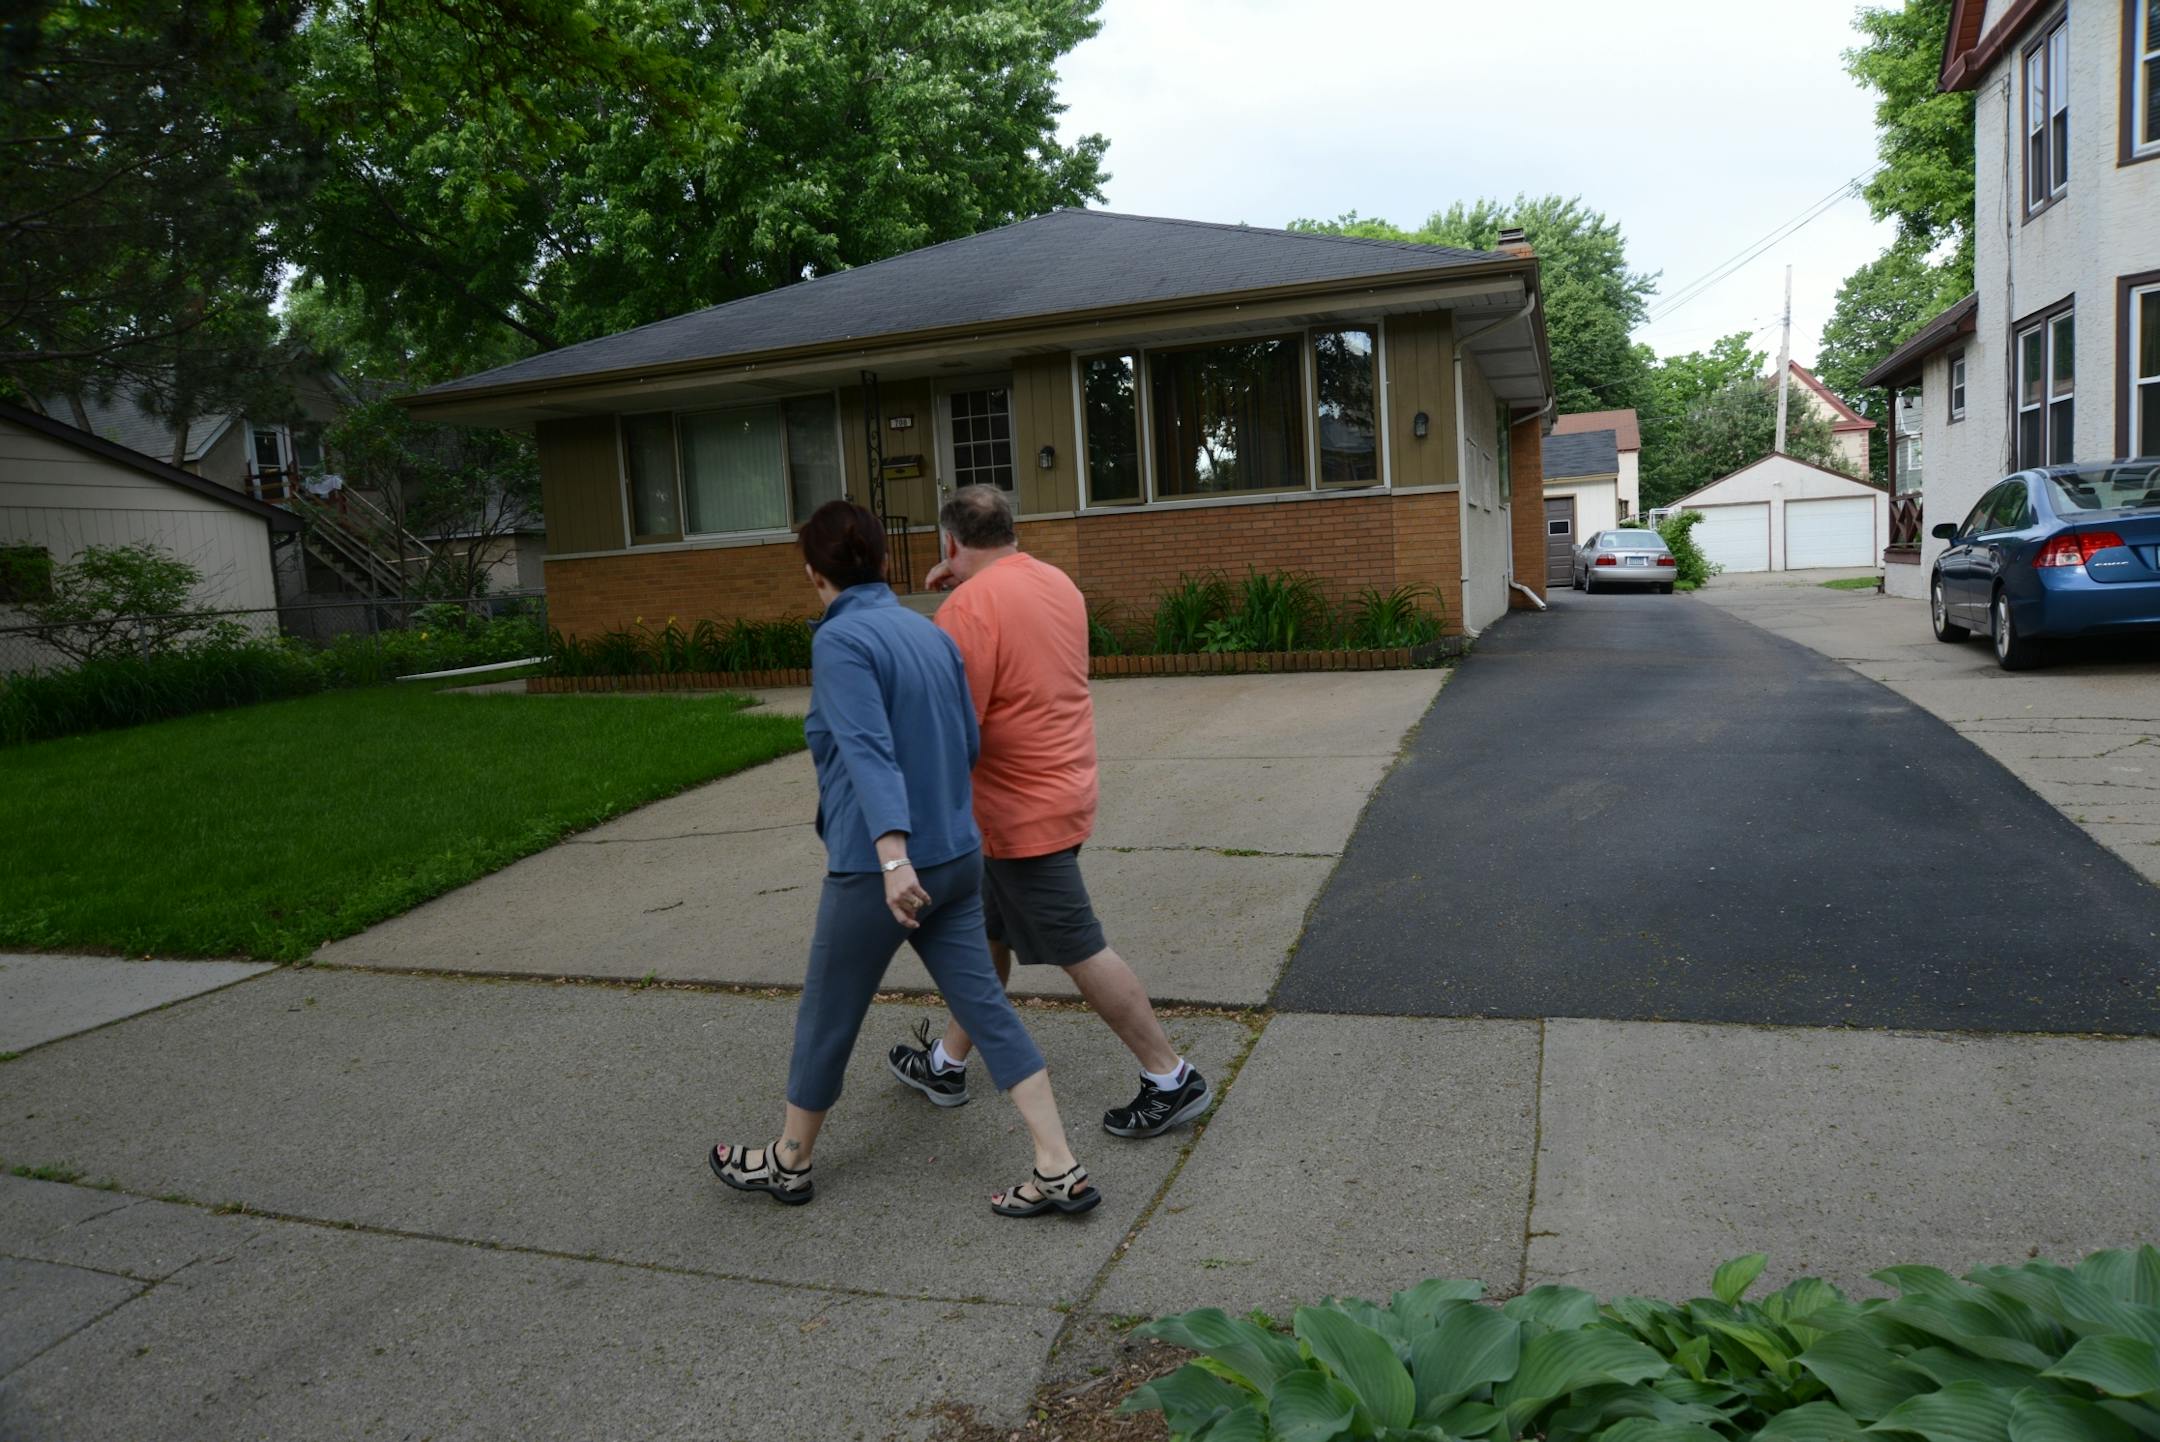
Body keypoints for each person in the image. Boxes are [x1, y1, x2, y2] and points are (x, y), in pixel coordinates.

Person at [709, 500, 1099, 1219]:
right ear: (885, 561)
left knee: (829, 1010)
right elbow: (967, 745)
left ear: (812, 572)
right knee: (984, 1005)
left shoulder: (841, 642)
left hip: (882, 870)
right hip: (955, 855)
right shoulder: (929, 634)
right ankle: (1058, 1163)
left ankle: (789, 1161)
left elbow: (867, 752)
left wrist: (892, 860)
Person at [886, 484, 1211, 1139]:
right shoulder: (1058, 584)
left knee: (1078, 947)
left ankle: (1170, 1076)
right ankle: (947, 1063)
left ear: (949, 542)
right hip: (1065, 791)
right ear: (1011, 527)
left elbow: (955, 732)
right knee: (987, 935)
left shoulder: (967, 608)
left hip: (1018, 817)